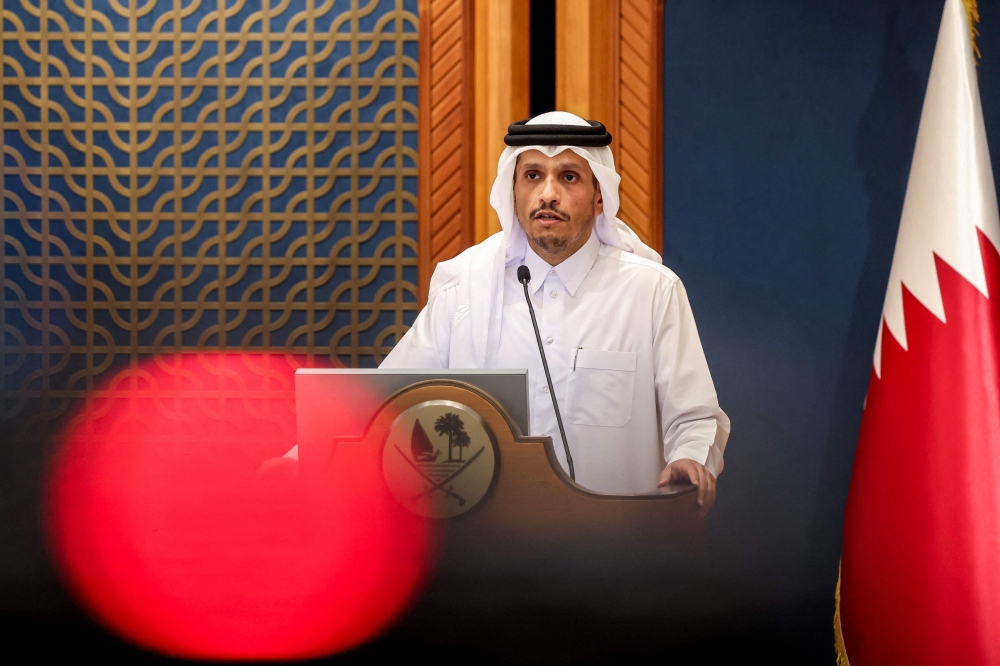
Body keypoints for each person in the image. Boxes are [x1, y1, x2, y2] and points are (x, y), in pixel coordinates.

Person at [382, 111, 729, 516]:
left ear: (600, 196)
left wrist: (691, 458)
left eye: (568, 176)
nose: (548, 194)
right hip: (486, 546)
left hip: (618, 550)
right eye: (532, 176)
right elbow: (387, 404)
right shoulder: (464, 291)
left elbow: (695, 418)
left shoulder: (651, 291)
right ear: (512, 192)